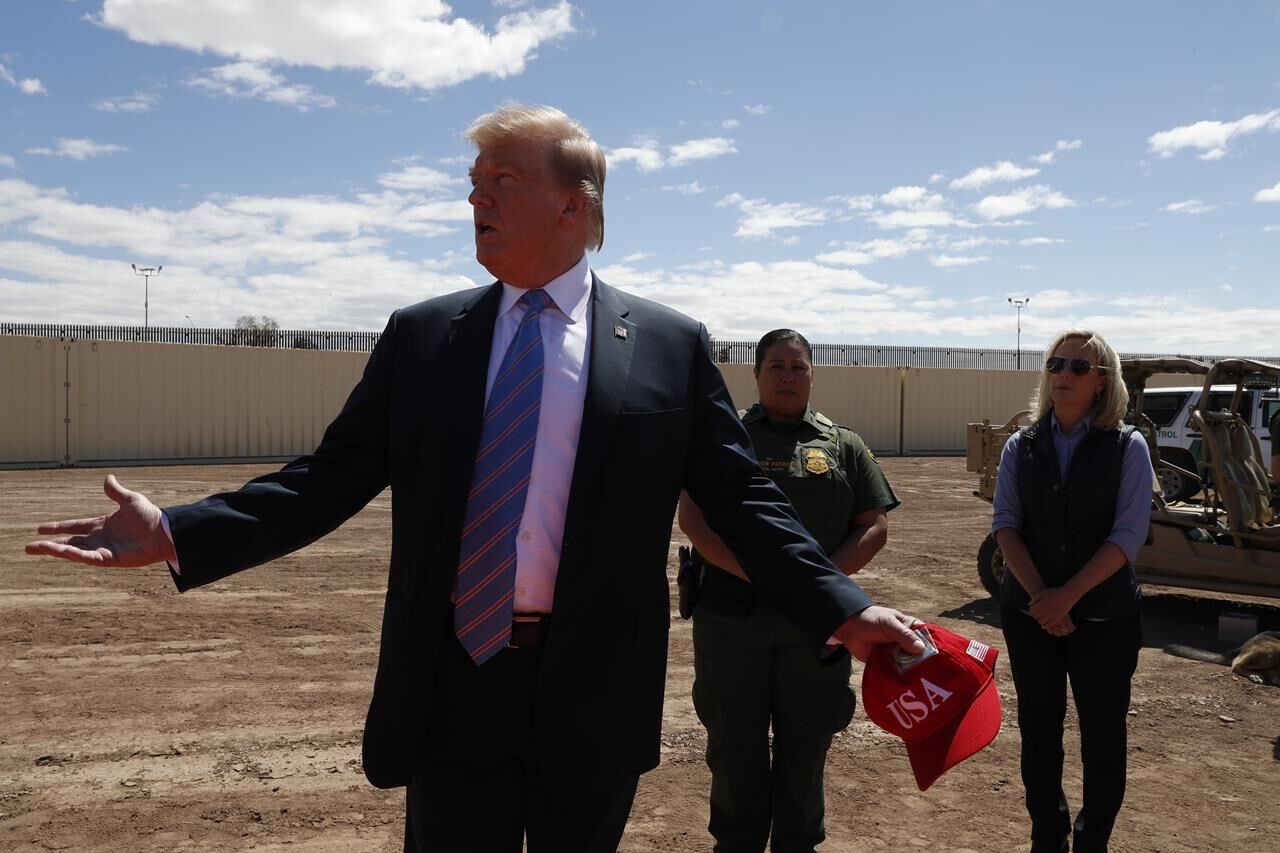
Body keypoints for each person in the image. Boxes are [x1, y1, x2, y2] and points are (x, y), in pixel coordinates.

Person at [25, 103, 925, 853]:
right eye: (472, 184)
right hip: (454, 684)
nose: (476, 197)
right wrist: (182, 530)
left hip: (593, 690)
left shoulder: (666, 345)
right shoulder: (424, 337)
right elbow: (327, 480)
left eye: (502, 182)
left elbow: (740, 496)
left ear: (575, 207)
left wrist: (842, 603)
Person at [679, 328, 899, 853]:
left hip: (818, 628)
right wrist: (779, 582)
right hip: (733, 621)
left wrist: (815, 590)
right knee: (733, 747)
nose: (787, 375)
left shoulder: (844, 444)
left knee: (807, 743)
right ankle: (737, 843)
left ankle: (798, 843)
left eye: (797, 367)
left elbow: (874, 525)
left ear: (812, 376)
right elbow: (695, 522)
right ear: (755, 375)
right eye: (776, 365)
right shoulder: (724, 439)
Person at [992, 329, 1154, 853]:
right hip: (1030, 615)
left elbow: (1127, 537)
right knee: (1039, 730)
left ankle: (1092, 841)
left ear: (1102, 381)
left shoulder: (1128, 446)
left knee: (1103, 735)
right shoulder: (1023, 445)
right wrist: (1043, 597)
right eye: (1057, 364)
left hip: (1105, 620)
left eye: (1078, 368)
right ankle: (1048, 835)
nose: (1064, 374)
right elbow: (1006, 527)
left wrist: (1068, 597)